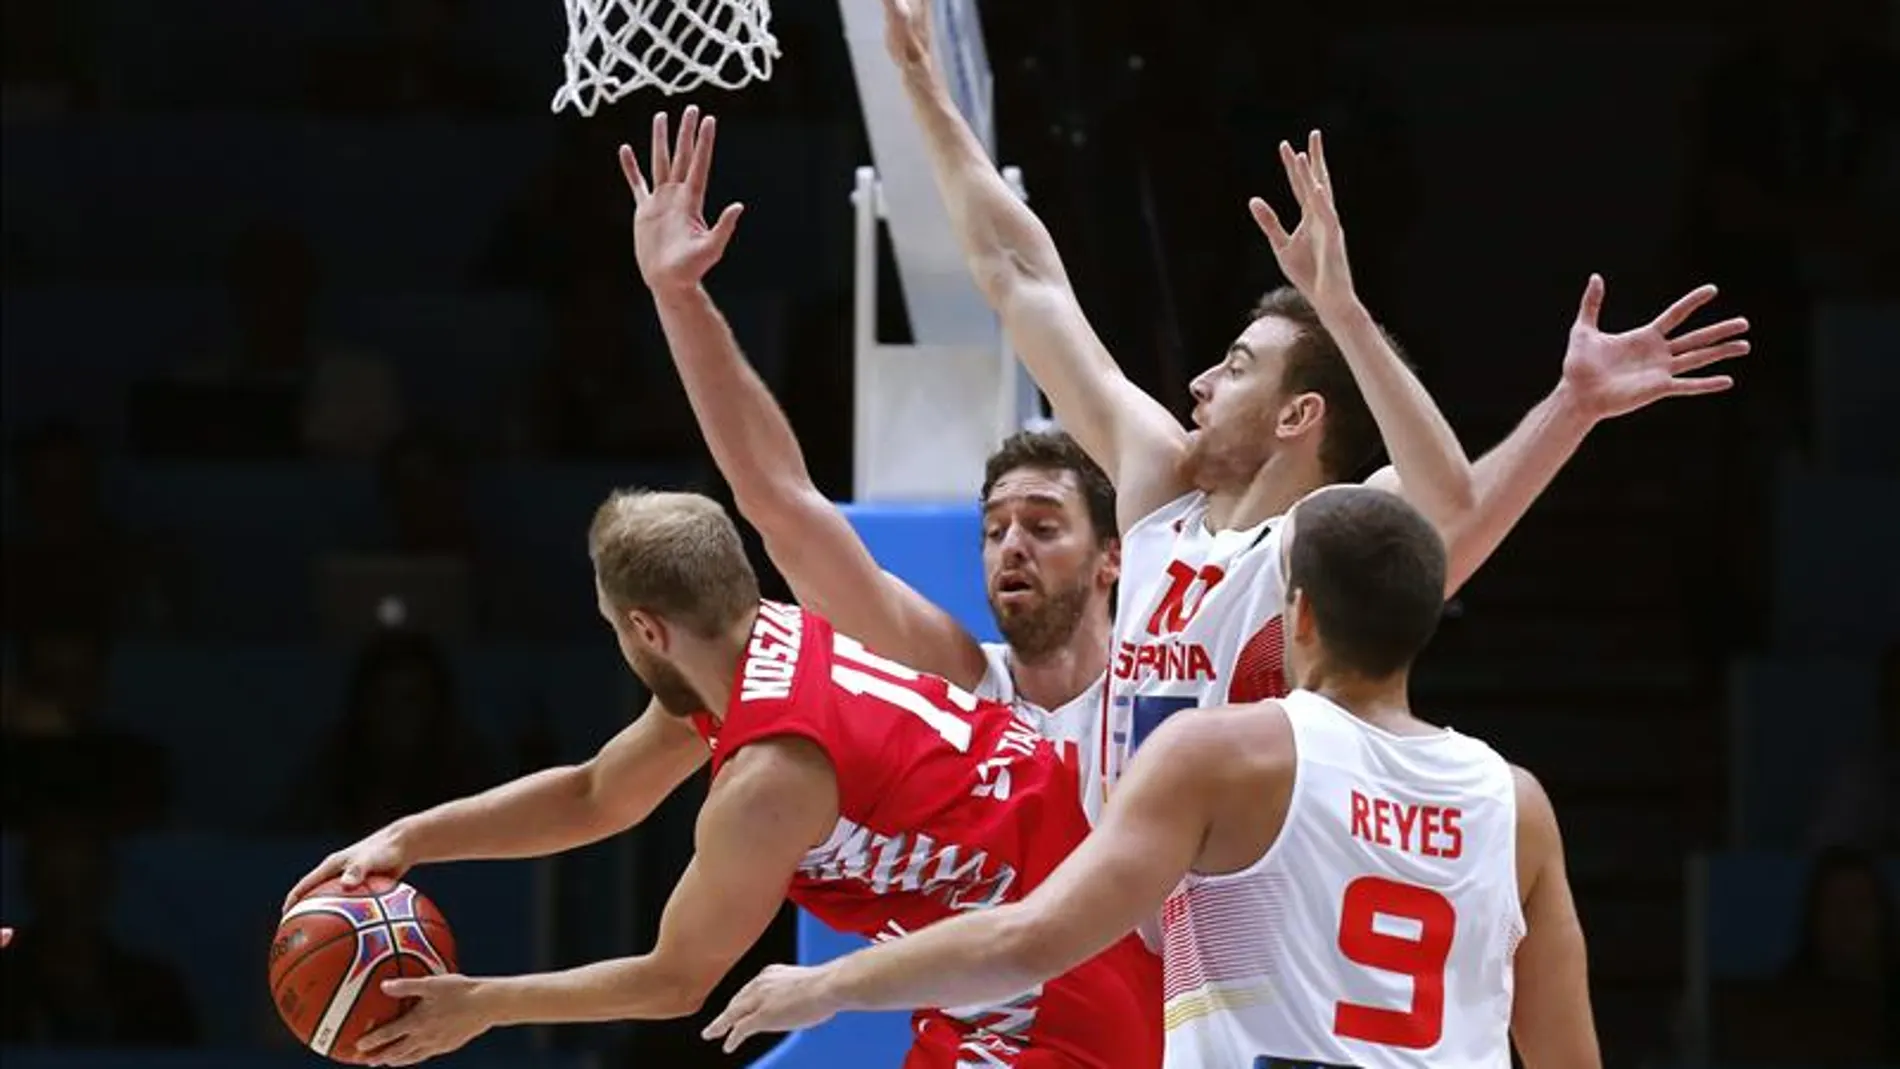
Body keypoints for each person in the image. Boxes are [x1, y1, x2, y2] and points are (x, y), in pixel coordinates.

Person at [876, 0, 1751, 793]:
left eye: (1237, 365)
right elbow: (1023, 276)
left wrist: (1354, 314)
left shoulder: (1324, 540)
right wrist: (923, 90)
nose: (1199, 383)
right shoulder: (1160, 490)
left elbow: (1452, 502)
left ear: (1299, 414)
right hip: (1110, 900)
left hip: (1235, 909)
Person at [706, 486, 1599, 1069]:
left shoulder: (1226, 754)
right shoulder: (1515, 803)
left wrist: (823, 985)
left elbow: (1032, 939)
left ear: (1300, 614)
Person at [285, 489, 1162, 1068]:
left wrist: (481, 1005)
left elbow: (677, 979)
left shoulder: (768, 776)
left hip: (1058, 1000)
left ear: (645, 628)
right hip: (1029, 952)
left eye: (614, 630)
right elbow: (601, 792)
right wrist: (410, 836)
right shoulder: (759, 642)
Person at [624, 105, 1121, 817]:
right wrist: (680, 298)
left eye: (1042, 527)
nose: (1011, 545)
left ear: (1112, 558)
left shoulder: (1161, 695)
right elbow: (781, 502)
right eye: (995, 529)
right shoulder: (961, 684)